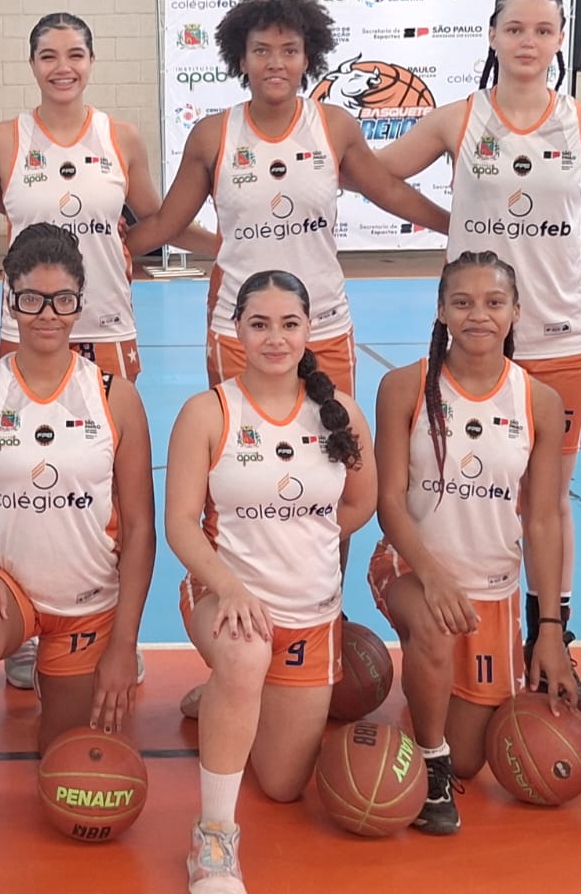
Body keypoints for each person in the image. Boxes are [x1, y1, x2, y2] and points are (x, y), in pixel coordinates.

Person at [381, 0, 581, 702]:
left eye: (543, 29)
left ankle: (549, 630)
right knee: (447, 480)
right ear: (493, 37)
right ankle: (430, 599)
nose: (529, 41)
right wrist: (445, 224)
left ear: (559, 40)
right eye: (515, 28)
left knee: (549, 496)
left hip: (559, 335)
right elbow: (372, 173)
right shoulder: (458, 119)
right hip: (472, 338)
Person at [0, 224, 155, 862]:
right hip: (6, 589)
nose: (47, 314)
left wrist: (124, 644)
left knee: (69, 769)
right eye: (31, 298)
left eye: (62, 299)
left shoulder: (115, 397)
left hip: (87, 603)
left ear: (81, 302)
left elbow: (139, 531)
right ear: (10, 299)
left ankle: (86, 666)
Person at [165, 269, 375, 894]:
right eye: (260, 324)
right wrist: (229, 585)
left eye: (289, 324)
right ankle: (213, 839)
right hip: (223, 598)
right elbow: (180, 525)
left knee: (283, 785)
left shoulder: (341, 414)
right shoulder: (209, 412)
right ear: (237, 330)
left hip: (310, 614)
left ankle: (231, 695)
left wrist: (303, 541)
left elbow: (360, 505)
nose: (275, 338)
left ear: (309, 330)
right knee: (244, 650)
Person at [126, 0, 449, 395]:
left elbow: (388, 192)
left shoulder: (334, 125)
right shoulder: (212, 136)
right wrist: (95, 248)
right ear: (241, 60)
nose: (276, 63)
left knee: (333, 449)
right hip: (241, 328)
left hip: (323, 322)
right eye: (261, 50)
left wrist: (458, 226)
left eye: (289, 50)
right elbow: (165, 225)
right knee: (242, 453)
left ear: (307, 58)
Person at [369, 250, 572, 837]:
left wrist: (550, 630)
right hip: (410, 565)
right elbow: (389, 502)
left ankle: (432, 712)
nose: (477, 314)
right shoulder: (404, 386)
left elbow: (542, 522)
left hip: (494, 589)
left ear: (515, 312)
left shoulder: (538, 401)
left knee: (472, 758)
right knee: (432, 631)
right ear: (441, 311)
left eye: (493, 302)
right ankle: (430, 767)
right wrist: (429, 573)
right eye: (462, 302)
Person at [0, 11, 218, 381]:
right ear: (32, 63)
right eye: (48, 56)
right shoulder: (3, 140)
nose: (62, 67)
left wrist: (227, 245)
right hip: (29, 319)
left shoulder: (121, 137)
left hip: (106, 321)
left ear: (91, 61)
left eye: (75, 55)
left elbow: (162, 221)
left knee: (111, 435)